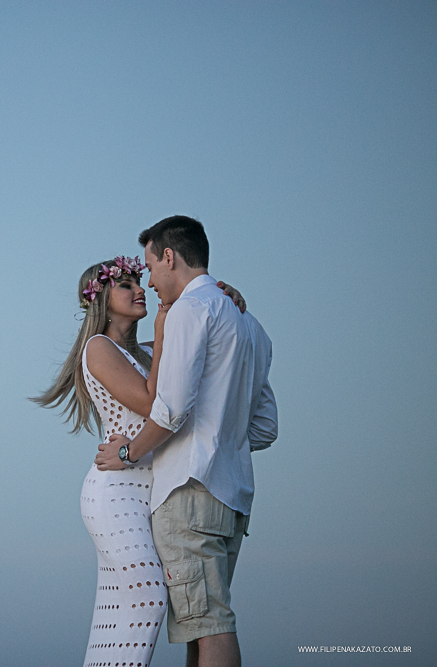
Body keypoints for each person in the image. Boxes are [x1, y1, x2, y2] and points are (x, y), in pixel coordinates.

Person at [33, 255, 246, 667]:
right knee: (150, 593)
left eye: (138, 281)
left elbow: (192, 354)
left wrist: (230, 300)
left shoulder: (148, 352)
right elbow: (155, 403)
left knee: (154, 607)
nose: (139, 289)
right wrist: (164, 326)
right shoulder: (98, 348)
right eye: (125, 284)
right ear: (100, 299)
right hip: (116, 490)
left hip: (152, 490)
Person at [96, 216, 277, 667]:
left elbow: (170, 410)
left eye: (150, 267)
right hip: (232, 497)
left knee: (210, 625)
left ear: (169, 256)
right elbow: (265, 427)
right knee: (200, 626)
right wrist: (220, 436)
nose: (150, 281)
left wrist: (127, 452)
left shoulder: (189, 312)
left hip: (189, 491)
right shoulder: (251, 325)